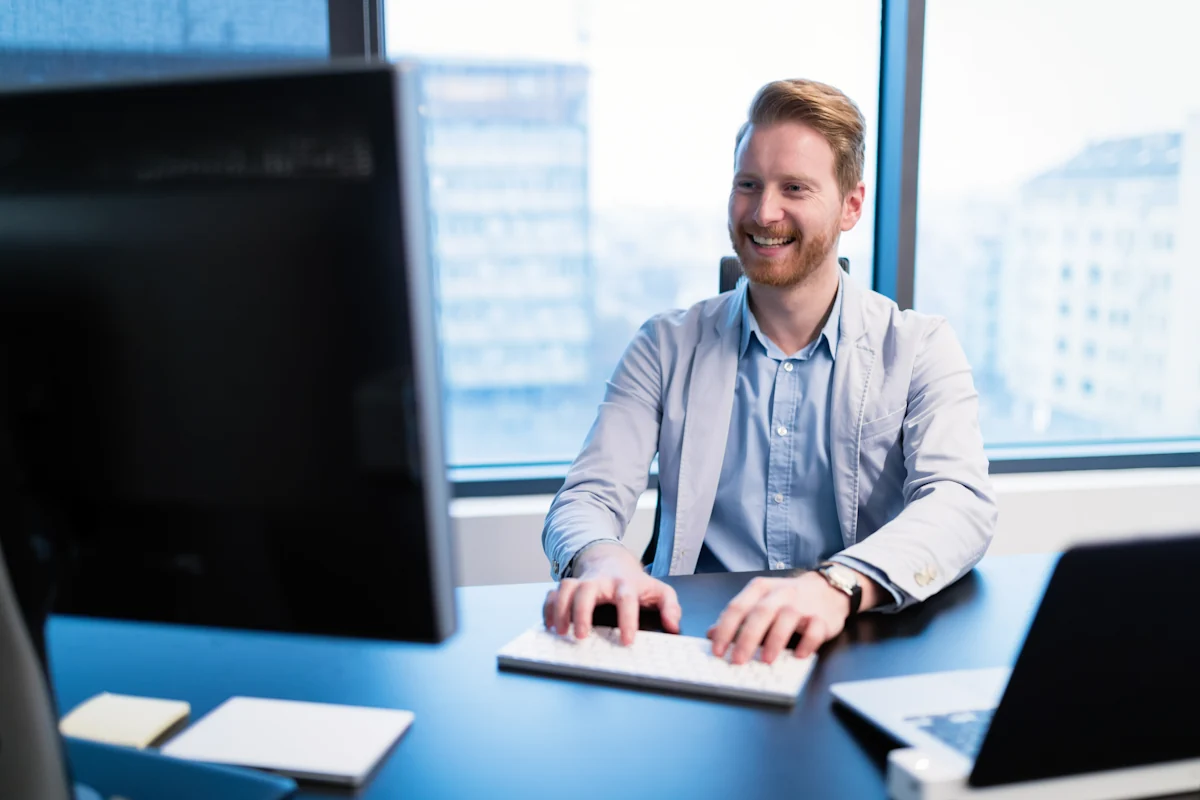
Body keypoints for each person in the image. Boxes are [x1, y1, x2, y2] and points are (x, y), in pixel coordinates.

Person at [541, 78, 997, 666]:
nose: (763, 212)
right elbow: (586, 497)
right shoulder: (664, 345)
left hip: (853, 638)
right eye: (748, 185)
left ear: (851, 205)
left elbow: (960, 502)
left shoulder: (920, 347)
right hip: (697, 641)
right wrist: (604, 559)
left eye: (794, 188)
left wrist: (835, 584)